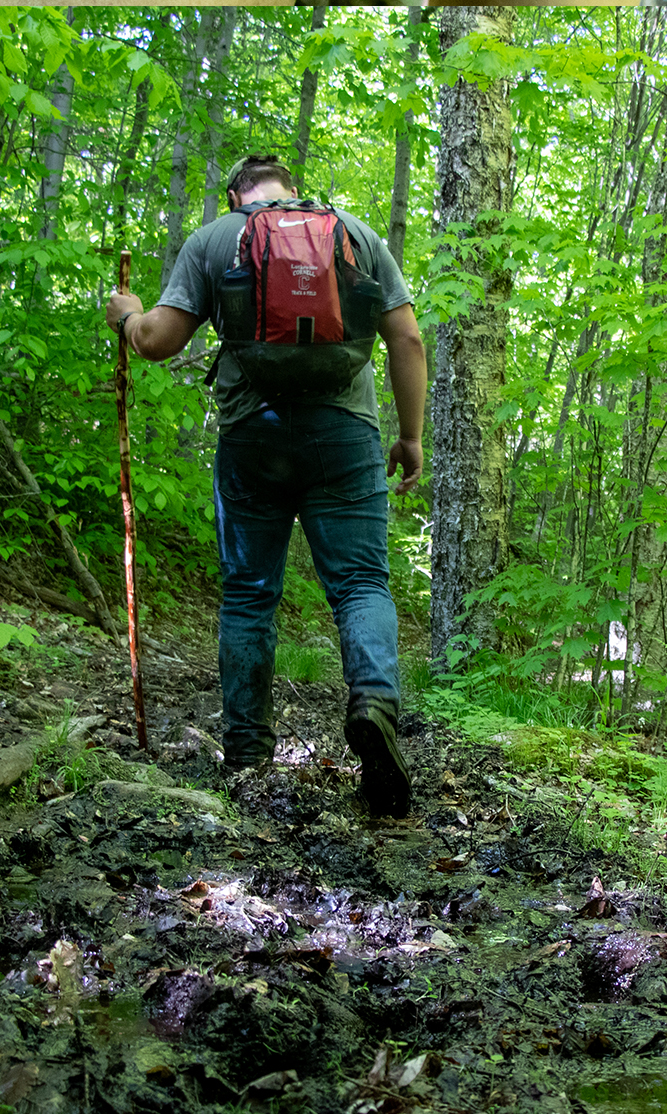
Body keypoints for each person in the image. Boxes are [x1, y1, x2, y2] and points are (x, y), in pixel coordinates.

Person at [104, 155, 424, 817]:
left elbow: (159, 341)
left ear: (234, 194)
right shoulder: (356, 236)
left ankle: (248, 754)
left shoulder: (218, 238)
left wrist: (128, 316)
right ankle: (373, 700)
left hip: (253, 434)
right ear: (292, 191)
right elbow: (408, 340)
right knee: (362, 582)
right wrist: (411, 435)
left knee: (250, 593)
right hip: (346, 432)